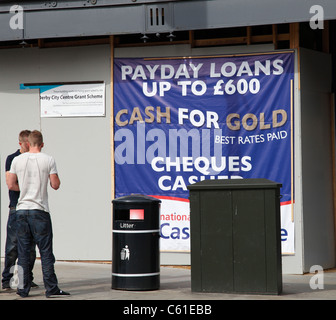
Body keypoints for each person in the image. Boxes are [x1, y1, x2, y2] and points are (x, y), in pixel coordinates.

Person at [7, 130, 70, 298]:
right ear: (41, 144)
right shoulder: (48, 159)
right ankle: (51, 288)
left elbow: (11, 184)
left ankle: (23, 289)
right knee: (46, 252)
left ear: (27, 143)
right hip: (40, 211)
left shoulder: (16, 160)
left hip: (21, 210)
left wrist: (26, 189)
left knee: (23, 251)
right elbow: (55, 185)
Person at [2, 130, 38, 290]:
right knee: (12, 246)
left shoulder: (33, 159)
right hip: (16, 206)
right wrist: (27, 190)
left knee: (30, 247)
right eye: (27, 144)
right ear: (21, 143)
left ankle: (26, 278)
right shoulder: (13, 159)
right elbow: (11, 183)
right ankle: (7, 279)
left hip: (31, 207)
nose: (30, 146)